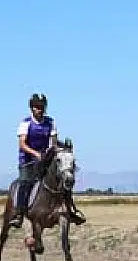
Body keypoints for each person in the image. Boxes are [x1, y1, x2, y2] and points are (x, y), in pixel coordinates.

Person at [9, 93, 85, 228]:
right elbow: (22, 144)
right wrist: (35, 154)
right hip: (27, 161)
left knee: (62, 179)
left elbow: (53, 143)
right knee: (25, 183)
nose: (40, 109)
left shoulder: (50, 122)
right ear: (32, 108)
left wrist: (60, 149)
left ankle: (70, 210)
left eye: (42, 107)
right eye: (37, 107)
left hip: (45, 158)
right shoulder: (25, 123)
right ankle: (19, 214)